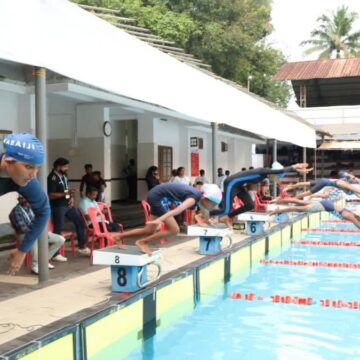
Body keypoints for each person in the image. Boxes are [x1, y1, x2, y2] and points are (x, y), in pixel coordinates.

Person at [112, 183, 222, 255]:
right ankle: (142, 242)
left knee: (149, 230)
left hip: (157, 195)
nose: (211, 206)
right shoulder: (194, 197)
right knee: (175, 230)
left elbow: (204, 210)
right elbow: (176, 211)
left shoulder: (199, 196)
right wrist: (158, 220)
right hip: (158, 197)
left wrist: (209, 222)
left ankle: (118, 236)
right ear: (206, 198)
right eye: (212, 203)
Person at [1, 133, 50, 275]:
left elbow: (44, 211)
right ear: (9, 160)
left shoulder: (28, 182)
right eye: (28, 166)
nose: (33, 174)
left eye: (37, 168)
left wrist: (23, 249)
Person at [211, 162, 311, 225]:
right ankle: (204, 215)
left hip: (238, 186)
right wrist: (295, 166)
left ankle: (228, 217)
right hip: (231, 183)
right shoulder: (263, 171)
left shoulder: (264, 175)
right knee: (225, 209)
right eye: (276, 177)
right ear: (273, 173)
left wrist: (298, 170)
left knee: (250, 205)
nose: (276, 179)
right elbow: (282, 170)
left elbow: (280, 171)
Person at [10, 196, 65, 274]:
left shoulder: (31, 208)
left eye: (26, 198)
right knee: (34, 238)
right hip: (24, 235)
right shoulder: (16, 211)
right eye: (22, 198)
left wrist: (42, 232)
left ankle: (43, 261)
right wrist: (39, 233)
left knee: (60, 239)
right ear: (18, 200)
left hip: (37, 232)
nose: (25, 200)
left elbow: (40, 223)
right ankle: (35, 265)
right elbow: (23, 229)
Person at [47, 157, 89, 257]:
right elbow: (51, 195)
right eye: (65, 166)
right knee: (58, 228)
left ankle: (82, 247)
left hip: (68, 205)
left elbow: (67, 189)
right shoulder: (52, 178)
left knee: (80, 221)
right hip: (58, 207)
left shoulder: (64, 175)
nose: (67, 168)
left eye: (67, 166)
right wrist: (66, 193)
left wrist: (71, 197)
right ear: (58, 167)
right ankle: (55, 254)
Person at [270, 198, 360, 229]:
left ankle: (276, 200)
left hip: (325, 203)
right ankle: (278, 210)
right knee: (297, 208)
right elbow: (357, 225)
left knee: (299, 201)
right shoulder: (350, 216)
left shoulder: (351, 214)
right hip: (323, 206)